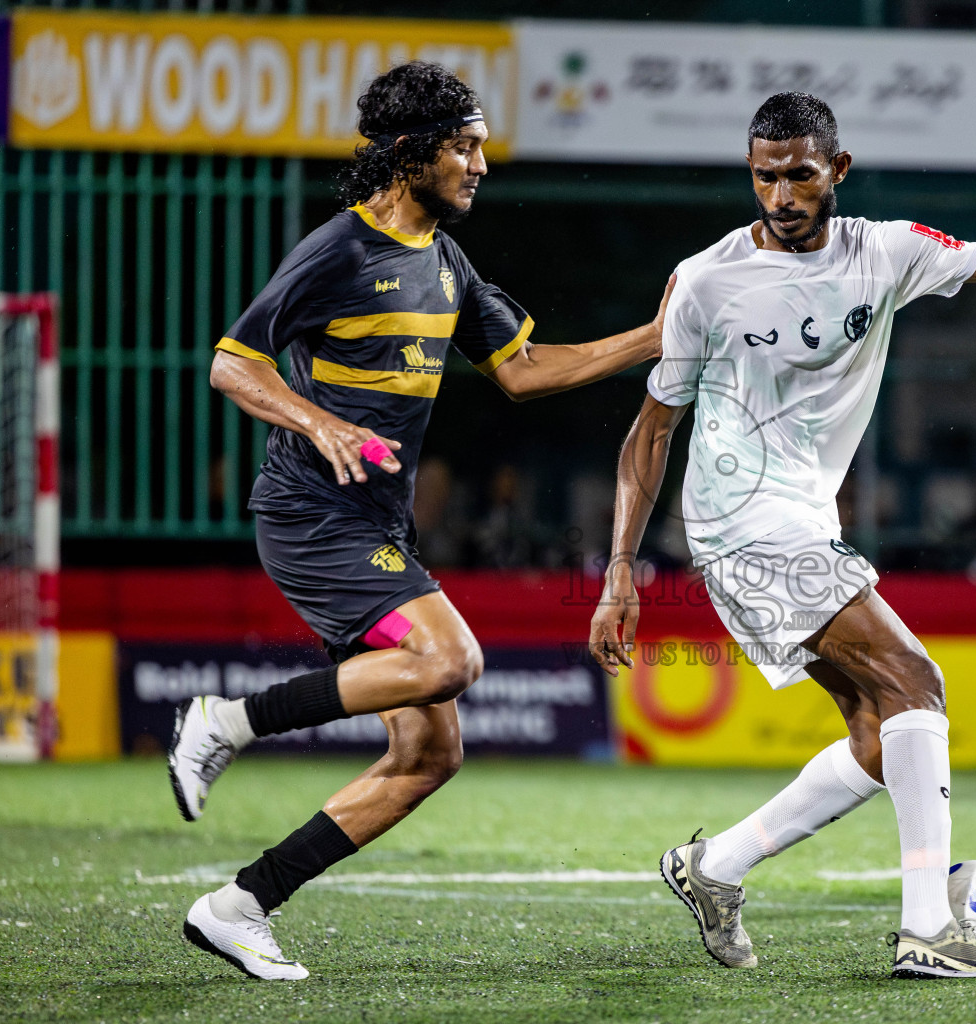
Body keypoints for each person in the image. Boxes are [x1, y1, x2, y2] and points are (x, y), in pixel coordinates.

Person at [587, 91, 976, 980]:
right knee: (914, 680)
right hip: (741, 521)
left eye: (800, 174)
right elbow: (649, 433)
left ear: (836, 171)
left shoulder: (887, 251)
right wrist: (621, 570)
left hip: (804, 519)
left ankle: (714, 867)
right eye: (765, 176)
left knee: (879, 736)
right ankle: (931, 929)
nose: (781, 194)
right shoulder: (705, 282)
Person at [166, 61, 671, 980]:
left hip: (372, 524)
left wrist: (655, 337)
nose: (481, 164)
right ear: (412, 154)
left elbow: (523, 370)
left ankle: (239, 905)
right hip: (312, 513)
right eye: (465, 146)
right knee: (454, 660)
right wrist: (319, 421)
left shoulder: (444, 259)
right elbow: (233, 364)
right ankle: (226, 721)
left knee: (432, 753)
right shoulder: (341, 251)